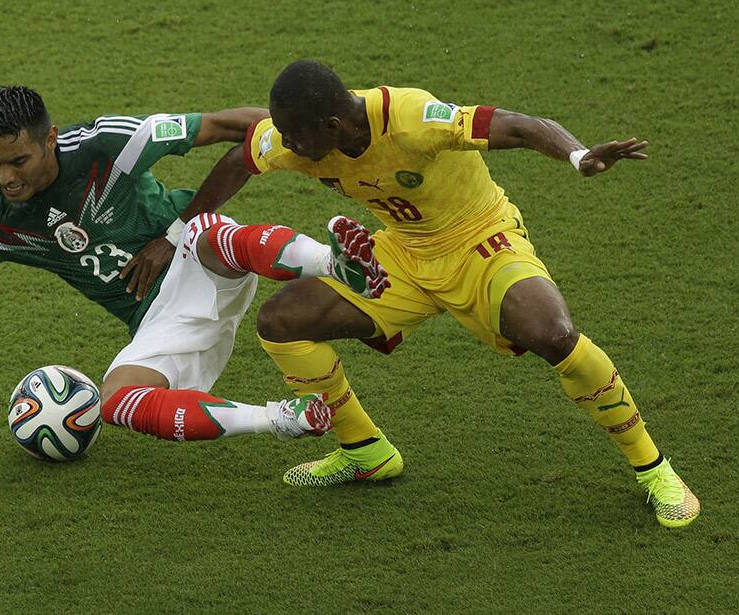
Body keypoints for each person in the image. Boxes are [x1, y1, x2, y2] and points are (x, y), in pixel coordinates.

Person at [194, 60, 699, 528]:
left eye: (294, 136)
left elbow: (519, 125)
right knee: (282, 321)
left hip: (481, 241)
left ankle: (653, 468)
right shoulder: (297, 139)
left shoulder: (412, 117)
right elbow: (240, 159)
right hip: (404, 254)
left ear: (331, 125)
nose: (286, 145)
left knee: (554, 334)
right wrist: (179, 231)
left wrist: (578, 154)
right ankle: (364, 450)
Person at [0, 85, 395, 451]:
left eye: (18, 160)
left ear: (50, 139)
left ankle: (335, 261)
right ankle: (281, 419)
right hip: (161, 320)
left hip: (200, 254)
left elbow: (225, 125)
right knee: (117, 402)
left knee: (210, 232)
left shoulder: (110, 142)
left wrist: (318, 139)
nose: (5, 177)